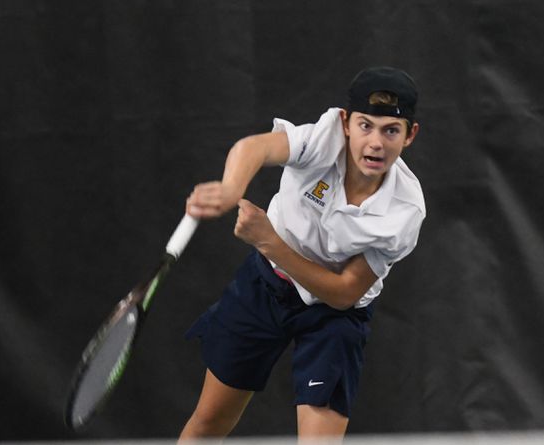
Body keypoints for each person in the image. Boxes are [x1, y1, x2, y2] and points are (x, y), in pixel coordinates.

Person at [177, 66, 425, 440]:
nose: (376, 142)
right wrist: (231, 189)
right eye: (365, 125)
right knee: (209, 422)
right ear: (345, 122)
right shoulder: (322, 141)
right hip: (265, 289)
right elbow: (254, 147)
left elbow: (343, 293)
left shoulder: (404, 211)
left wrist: (269, 241)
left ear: (409, 135)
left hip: (334, 319)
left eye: (391, 130)